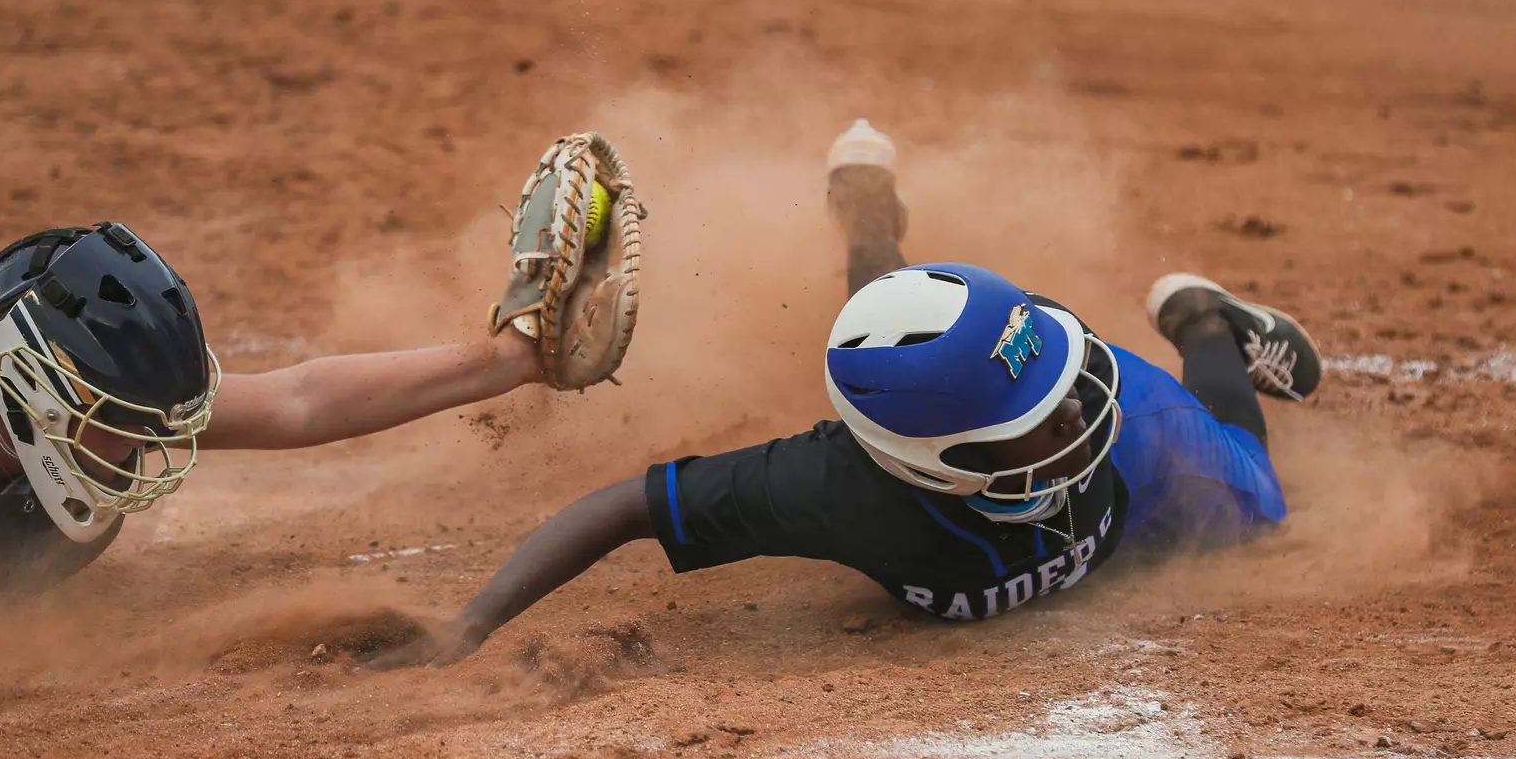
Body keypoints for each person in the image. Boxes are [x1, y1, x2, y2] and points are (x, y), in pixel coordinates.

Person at [370, 120, 1323, 668]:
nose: (1078, 417)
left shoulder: (1128, 434)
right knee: (884, 311)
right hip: (963, 392)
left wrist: (1056, 388)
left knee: (1257, 498)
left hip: (1111, 425)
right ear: (930, 467)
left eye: (1065, 398)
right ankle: (869, 212)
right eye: (1037, 426)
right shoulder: (829, 488)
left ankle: (1203, 320)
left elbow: (1062, 398)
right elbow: (626, 507)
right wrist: (468, 626)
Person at [0, 222, 547, 587]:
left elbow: (297, 402)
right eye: (121, 420)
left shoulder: (76, 412)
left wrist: (508, 361)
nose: (144, 444)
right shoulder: (65, 412)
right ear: (31, 395)